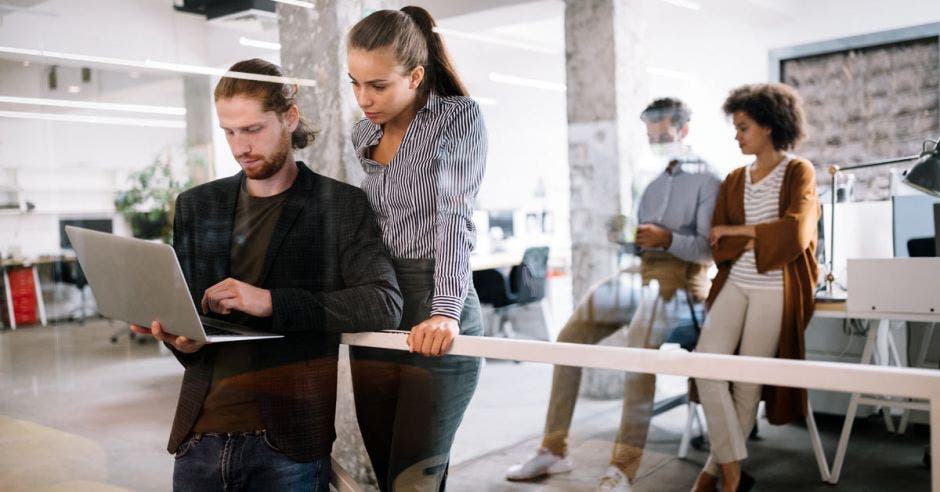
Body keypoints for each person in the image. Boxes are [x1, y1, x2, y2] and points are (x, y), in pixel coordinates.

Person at [130, 58, 403, 492]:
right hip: (197, 439)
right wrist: (179, 339)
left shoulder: (339, 205)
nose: (240, 147)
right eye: (230, 132)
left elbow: (383, 302)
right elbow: (193, 333)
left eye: (253, 129)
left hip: (286, 444)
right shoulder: (197, 207)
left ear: (289, 118)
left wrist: (272, 301)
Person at [505, 98, 722, 491]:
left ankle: (624, 466)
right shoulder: (652, 183)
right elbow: (639, 241)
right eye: (651, 136)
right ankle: (554, 450)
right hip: (640, 273)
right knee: (569, 339)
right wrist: (626, 236)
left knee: (638, 349)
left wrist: (668, 238)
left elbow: (710, 250)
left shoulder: (708, 179)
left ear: (684, 131)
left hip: (685, 284)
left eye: (664, 135)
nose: (657, 143)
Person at [344, 6, 488, 491]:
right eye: (355, 83)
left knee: (415, 480)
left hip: (436, 300)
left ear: (416, 75)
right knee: (387, 472)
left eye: (378, 85)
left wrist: (446, 311)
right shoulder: (365, 131)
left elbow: (454, 216)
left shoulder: (456, 119)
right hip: (380, 301)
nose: (364, 99)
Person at [691, 83, 819, 492]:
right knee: (706, 364)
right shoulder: (734, 179)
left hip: (775, 287)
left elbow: (796, 231)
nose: (737, 135)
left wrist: (739, 231)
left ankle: (718, 473)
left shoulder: (798, 170)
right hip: (738, 280)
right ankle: (726, 469)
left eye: (743, 126)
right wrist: (752, 235)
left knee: (747, 380)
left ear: (768, 126)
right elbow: (719, 239)